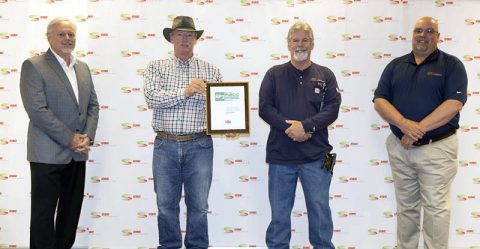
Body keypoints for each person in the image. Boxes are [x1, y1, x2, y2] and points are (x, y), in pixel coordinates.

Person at [373, 16, 468, 249]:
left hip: (437, 150)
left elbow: (454, 104)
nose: (423, 35)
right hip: (400, 148)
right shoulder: (395, 65)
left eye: (429, 31)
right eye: (418, 30)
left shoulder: (452, 65)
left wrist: (415, 130)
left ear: (438, 36)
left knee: (436, 207)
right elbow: (380, 100)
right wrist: (404, 124)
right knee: (406, 206)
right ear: (412, 34)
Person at [259, 21, 341, 249]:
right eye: (295, 40)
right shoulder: (274, 74)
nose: (300, 44)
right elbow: (265, 108)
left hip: (319, 157)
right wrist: (290, 128)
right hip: (280, 158)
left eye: (305, 40)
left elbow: (332, 108)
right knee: (279, 215)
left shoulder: (326, 74)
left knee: (321, 210)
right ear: (288, 44)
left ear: (312, 44)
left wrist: (306, 126)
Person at [143, 16, 223, 249]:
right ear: (171, 38)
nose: (185, 39)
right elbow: (151, 98)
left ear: (196, 39)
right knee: (166, 205)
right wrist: (185, 92)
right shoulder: (156, 67)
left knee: (199, 206)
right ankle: (169, 246)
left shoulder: (212, 70)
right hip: (165, 145)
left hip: (200, 145)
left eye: (190, 35)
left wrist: (228, 124)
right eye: (180, 34)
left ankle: (197, 246)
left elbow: (219, 108)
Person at [19, 17, 99, 249]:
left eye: (71, 34)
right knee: (43, 217)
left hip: (78, 154)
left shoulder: (82, 68)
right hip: (47, 155)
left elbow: (93, 105)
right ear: (49, 37)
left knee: (70, 214)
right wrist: (69, 138)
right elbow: (37, 110)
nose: (67, 38)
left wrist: (87, 136)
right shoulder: (33, 66)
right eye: (61, 34)